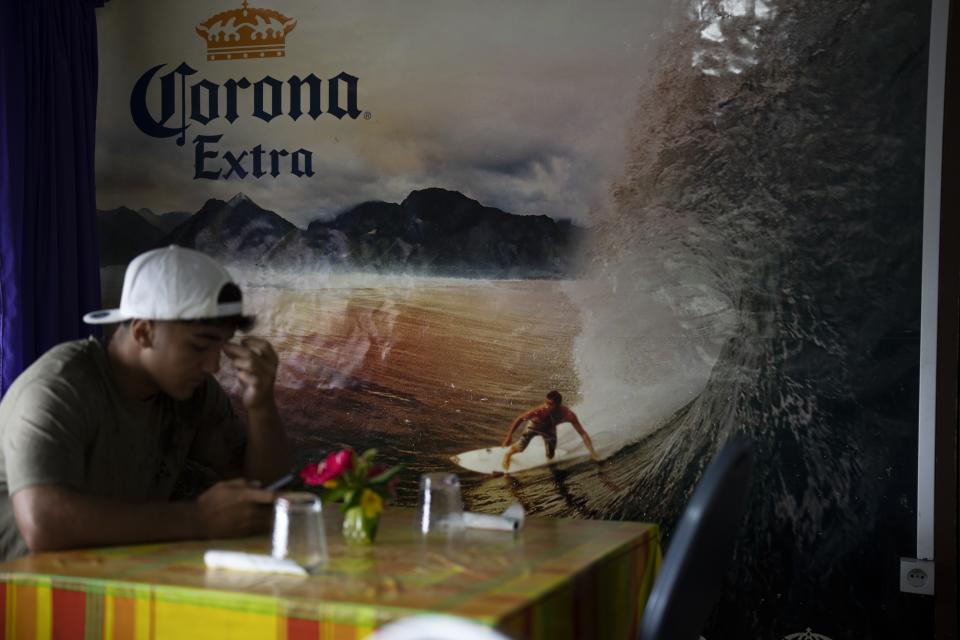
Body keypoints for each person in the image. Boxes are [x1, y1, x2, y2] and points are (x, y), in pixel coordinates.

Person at [0, 246, 291, 561]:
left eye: (221, 347)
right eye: (199, 346)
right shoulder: (59, 387)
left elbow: (258, 491)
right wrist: (199, 519)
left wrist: (261, 406)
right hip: (21, 592)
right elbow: (44, 524)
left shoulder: (194, 393)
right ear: (143, 332)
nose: (213, 365)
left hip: (108, 578)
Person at [500, 390, 599, 471]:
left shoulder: (568, 414)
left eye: (550, 404)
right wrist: (509, 436)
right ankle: (508, 454)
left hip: (549, 431)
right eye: (546, 403)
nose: (547, 406)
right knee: (520, 448)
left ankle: (549, 470)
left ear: (558, 404)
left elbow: (582, 433)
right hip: (534, 427)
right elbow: (520, 418)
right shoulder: (539, 411)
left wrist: (592, 452)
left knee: (551, 455)